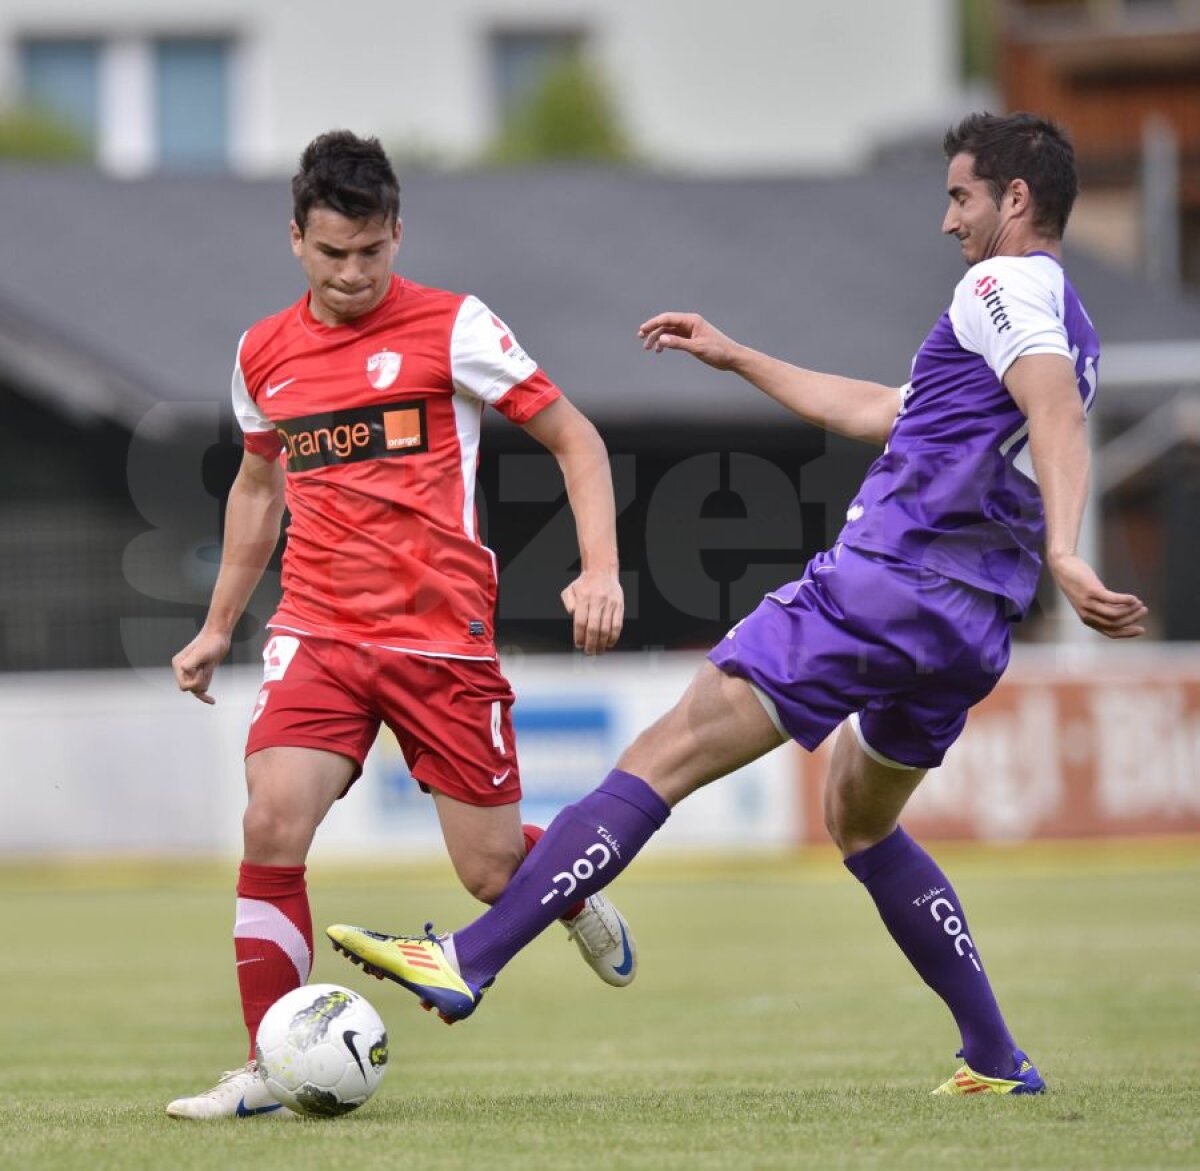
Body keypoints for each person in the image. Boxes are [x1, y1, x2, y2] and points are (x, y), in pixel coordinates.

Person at [326, 112, 1148, 1096]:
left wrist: (1066, 545)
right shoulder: (1066, 315)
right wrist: (738, 355)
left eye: (961, 196)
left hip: (884, 586)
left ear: (1017, 200)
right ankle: (996, 1057)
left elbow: (1050, 408)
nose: (947, 221)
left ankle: (472, 957)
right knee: (861, 820)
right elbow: (886, 412)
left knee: (659, 757)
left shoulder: (1000, 284)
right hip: (968, 628)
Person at [166, 130, 634, 1120]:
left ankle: (570, 888)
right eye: (332, 253)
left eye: (370, 253)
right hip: (319, 632)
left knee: (490, 871)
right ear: (295, 238)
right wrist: (217, 627)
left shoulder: (453, 326)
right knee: (270, 819)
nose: (351, 274)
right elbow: (258, 488)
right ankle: (266, 1061)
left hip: (439, 638)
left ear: (397, 235)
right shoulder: (263, 352)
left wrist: (600, 569)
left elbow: (575, 437)